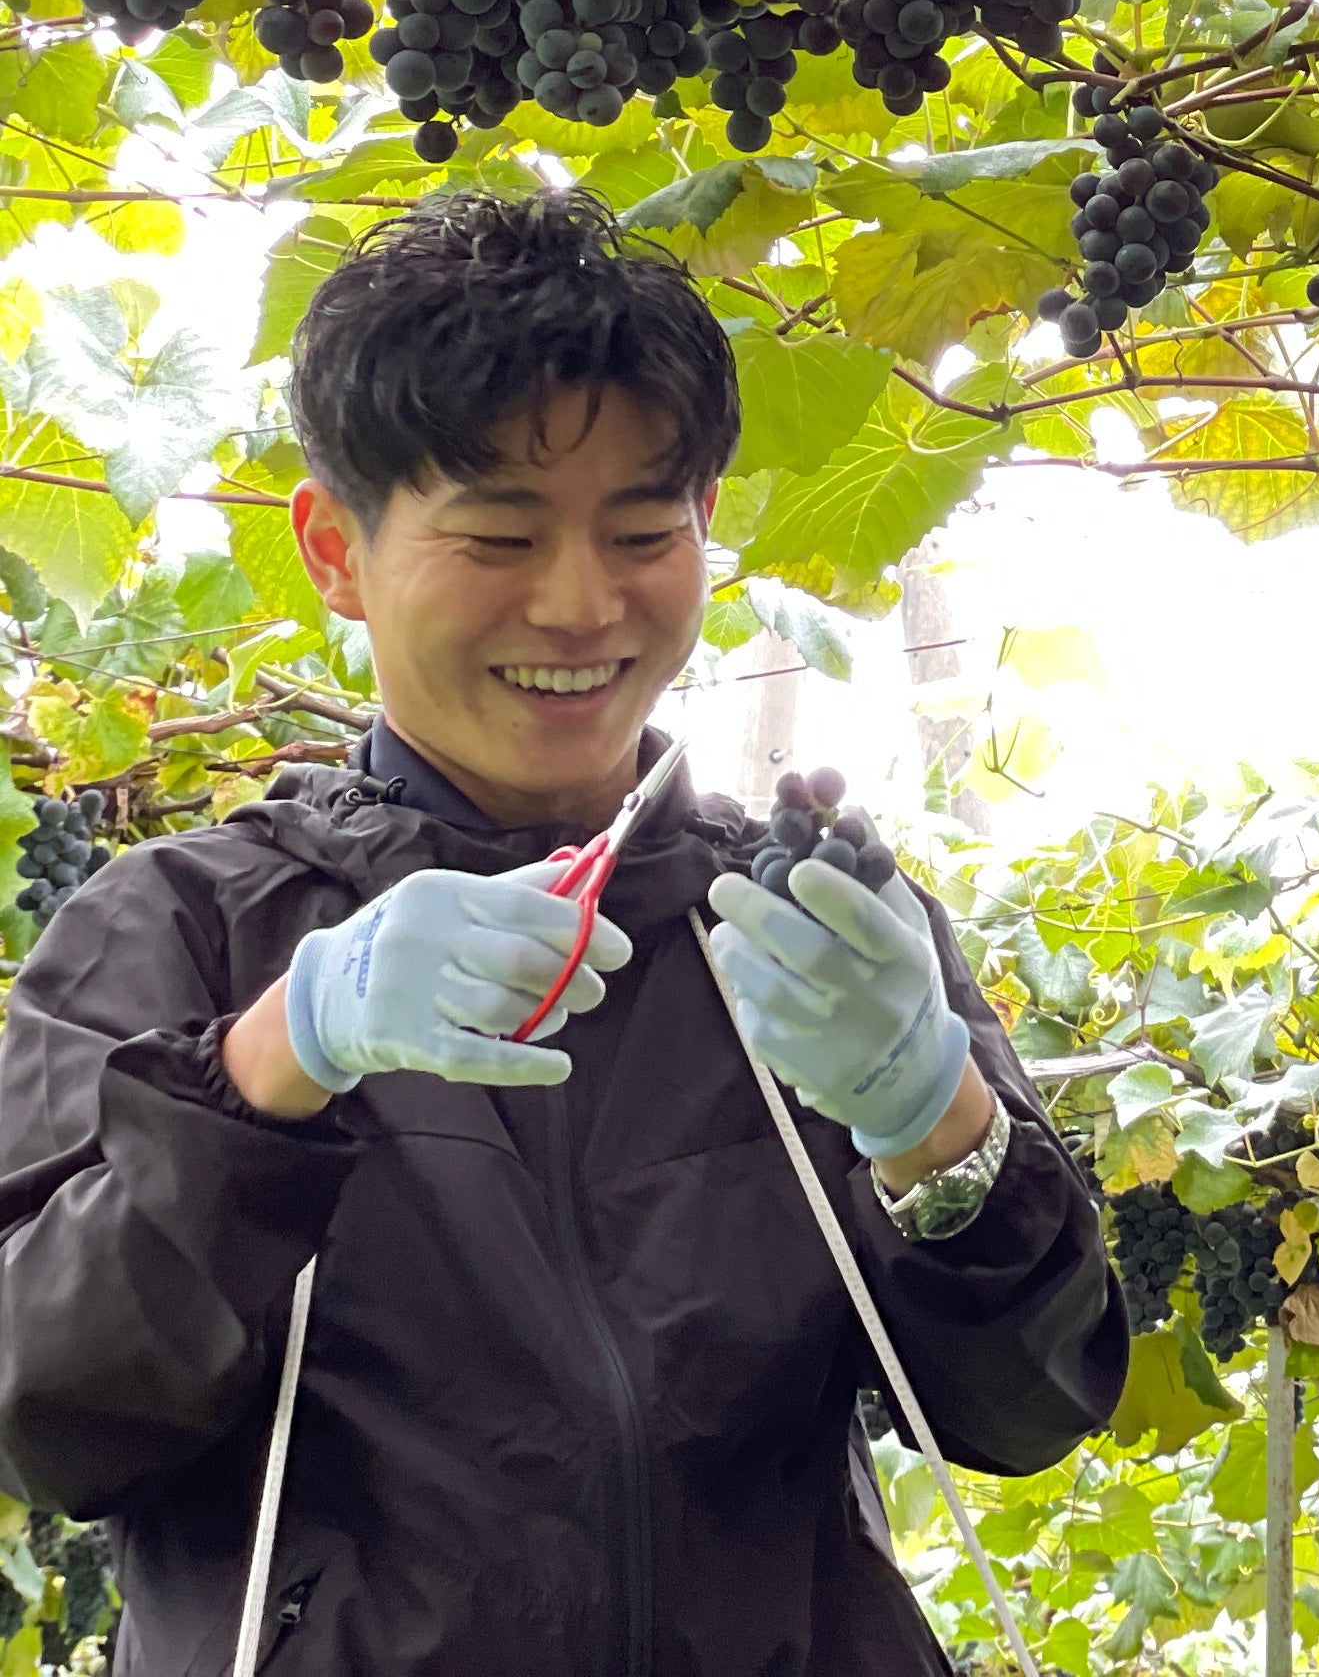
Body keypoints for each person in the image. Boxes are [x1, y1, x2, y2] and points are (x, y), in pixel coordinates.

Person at [0, 191, 1125, 1668]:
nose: (582, 604)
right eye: (499, 536)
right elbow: (44, 1411)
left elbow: (1025, 1407)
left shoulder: (805, 925)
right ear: (335, 549)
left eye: (644, 528)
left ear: (706, 527)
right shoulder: (185, 928)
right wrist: (273, 1062)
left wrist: (938, 1123)